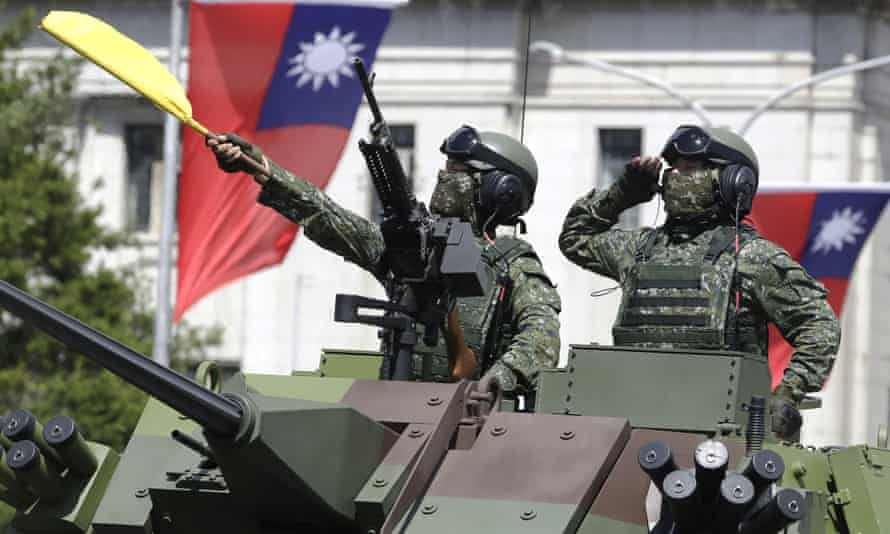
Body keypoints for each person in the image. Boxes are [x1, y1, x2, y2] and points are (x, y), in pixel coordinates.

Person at [207, 125, 561, 394]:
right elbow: (327, 216)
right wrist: (262, 168)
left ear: (499, 190)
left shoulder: (513, 265)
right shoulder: (416, 245)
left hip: (465, 420)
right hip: (392, 400)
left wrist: (494, 383)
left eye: (457, 170)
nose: (444, 176)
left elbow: (541, 339)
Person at [558, 124, 840, 438]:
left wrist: (788, 392)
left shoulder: (752, 257)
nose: (675, 176)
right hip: (625, 425)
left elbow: (819, 326)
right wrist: (624, 193)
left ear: (733, 182)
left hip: (718, 437)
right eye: (673, 168)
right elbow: (575, 237)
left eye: (690, 168)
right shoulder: (637, 249)